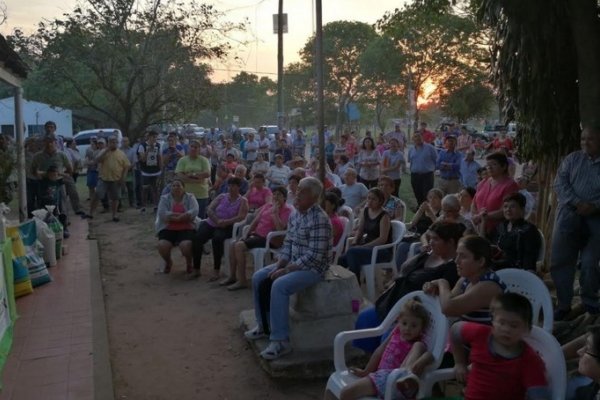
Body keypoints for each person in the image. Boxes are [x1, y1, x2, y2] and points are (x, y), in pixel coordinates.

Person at [244, 177, 331, 360]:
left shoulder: (320, 219)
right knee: (259, 276)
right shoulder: (296, 213)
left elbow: (314, 256)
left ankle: (280, 341)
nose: (297, 194)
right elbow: (289, 243)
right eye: (298, 189)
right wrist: (280, 264)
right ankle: (263, 325)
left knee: (279, 285)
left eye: (303, 192)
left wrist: (287, 270)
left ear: (314, 197)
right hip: (294, 262)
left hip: (313, 269)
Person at [353, 221, 464, 353]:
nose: (431, 242)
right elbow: (405, 268)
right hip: (393, 301)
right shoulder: (428, 255)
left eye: (436, 239)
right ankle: (370, 358)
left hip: (411, 313)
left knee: (386, 337)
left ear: (451, 242)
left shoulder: (451, 269)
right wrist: (419, 255)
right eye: (431, 238)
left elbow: (440, 296)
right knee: (365, 319)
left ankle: (381, 365)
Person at [450, 292, 550, 400]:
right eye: (502, 323)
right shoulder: (480, 334)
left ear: (527, 329)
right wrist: (459, 362)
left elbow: (539, 395)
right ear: (493, 320)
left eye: (514, 325)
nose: (506, 329)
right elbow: (455, 331)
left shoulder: (529, 360)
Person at [551, 126, 600, 320]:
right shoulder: (572, 159)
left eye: (591, 139)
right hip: (568, 216)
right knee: (561, 261)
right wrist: (577, 202)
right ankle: (564, 304)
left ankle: (589, 302)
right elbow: (559, 184)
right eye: (583, 139)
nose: (585, 143)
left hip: (596, 219)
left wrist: (595, 205)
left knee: (589, 263)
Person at [337, 300, 433, 400]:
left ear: (422, 329)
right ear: (398, 321)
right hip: (382, 378)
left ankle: (405, 376)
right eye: (404, 323)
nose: (408, 328)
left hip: (395, 381)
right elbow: (380, 351)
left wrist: (425, 358)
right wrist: (366, 372)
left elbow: (426, 355)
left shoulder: (418, 344)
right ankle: (403, 377)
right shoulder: (396, 332)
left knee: (345, 393)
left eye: (414, 325)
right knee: (342, 393)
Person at [220, 186, 292, 291]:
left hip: (271, 239)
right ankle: (232, 276)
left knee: (239, 246)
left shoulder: (287, 210)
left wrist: (275, 214)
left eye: (279, 195)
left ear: (284, 198)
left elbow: (280, 230)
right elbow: (255, 221)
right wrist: (246, 235)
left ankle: (242, 281)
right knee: (233, 244)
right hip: (258, 236)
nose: (276, 197)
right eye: (274, 194)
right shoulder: (268, 206)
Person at [423, 234, 506, 325]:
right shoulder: (466, 279)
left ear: (481, 261)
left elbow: (448, 308)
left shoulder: (489, 286)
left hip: (486, 338)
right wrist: (435, 290)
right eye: (457, 255)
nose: (456, 261)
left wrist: (442, 282)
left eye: (463, 256)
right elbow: (448, 300)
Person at [192, 177, 249, 281]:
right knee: (197, 238)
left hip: (227, 226)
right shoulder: (222, 196)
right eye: (229, 186)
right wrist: (217, 220)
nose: (230, 188)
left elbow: (241, 216)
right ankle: (196, 268)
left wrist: (226, 222)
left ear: (238, 187)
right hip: (213, 222)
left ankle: (216, 270)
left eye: (233, 186)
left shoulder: (243, 201)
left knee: (217, 239)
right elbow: (209, 209)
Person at [338, 188, 391, 282]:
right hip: (366, 247)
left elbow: (383, 239)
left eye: (373, 199)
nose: (370, 201)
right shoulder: (366, 211)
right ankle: (344, 283)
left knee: (352, 252)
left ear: (380, 201)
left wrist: (364, 246)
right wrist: (355, 242)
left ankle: (355, 282)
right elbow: (360, 230)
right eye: (368, 198)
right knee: (341, 260)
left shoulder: (384, 216)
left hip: (380, 250)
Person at [155, 179, 199, 275]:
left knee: (186, 246)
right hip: (168, 228)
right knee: (162, 245)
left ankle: (189, 263)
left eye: (178, 185)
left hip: (187, 228)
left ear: (183, 188)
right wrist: (180, 216)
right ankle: (168, 262)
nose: (176, 188)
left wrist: (175, 216)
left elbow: (194, 211)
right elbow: (162, 213)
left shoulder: (190, 197)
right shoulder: (164, 198)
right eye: (173, 186)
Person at [471, 152, 519, 237]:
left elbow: (506, 210)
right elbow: (474, 203)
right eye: (487, 165)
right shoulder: (483, 182)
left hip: (498, 230)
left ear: (504, 166)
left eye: (494, 164)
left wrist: (483, 217)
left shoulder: (510, 185)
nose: (489, 167)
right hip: (478, 227)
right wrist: (476, 216)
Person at [491, 192, 541, 271]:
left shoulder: (528, 230)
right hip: (498, 265)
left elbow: (529, 258)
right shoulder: (502, 226)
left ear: (522, 209)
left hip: (516, 271)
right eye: (505, 206)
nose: (508, 210)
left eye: (513, 206)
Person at [87, 136, 131, 222]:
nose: (113, 144)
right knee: (97, 194)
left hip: (116, 179)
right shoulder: (104, 151)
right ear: (108, 143)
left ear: (117, 143)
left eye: (115, 142)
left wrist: (123, 177)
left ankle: (114, 215)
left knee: (115, 198)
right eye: (111, 142)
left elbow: (126, 166)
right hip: (103, 178)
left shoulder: (121, 153)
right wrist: (106, 151)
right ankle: (91, 213)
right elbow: (96, 160)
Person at [175, 139, 211, 219]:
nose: (193, 149)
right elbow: (180, 176)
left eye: (196, 147)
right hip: (186, 194)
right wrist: (197, 179)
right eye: (192, 146)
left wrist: (192, 174)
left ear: (199, 149)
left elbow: (207, 174)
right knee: (186, 217)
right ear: (188, 148)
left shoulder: (204, 160)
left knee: (200, 217)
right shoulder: (182, 160)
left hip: (201, 194)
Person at [408, 132, 438, 205]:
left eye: (419, 136)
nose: (418, 138)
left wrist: (433, 170)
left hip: (427, 175)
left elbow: (436, 160)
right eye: (415, 136)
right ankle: (420, 208)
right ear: (413, 139)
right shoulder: (411, 149)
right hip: (415, 175)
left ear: (422, 138)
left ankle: (427, 210)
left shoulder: (430, 148)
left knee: (427, 194)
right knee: (417, 193)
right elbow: (410, 161)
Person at [137, 131, 162, 213]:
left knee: (155, 189)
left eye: (156, 137)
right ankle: (143, 206)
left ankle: (156, 206)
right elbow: (142, 159)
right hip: (146, 171)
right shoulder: (142, 146)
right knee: (145, 189)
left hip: (156, 171)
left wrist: (161, 169)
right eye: (153, 137)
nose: (155, 139)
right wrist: (148, 150)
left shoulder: (158, 146)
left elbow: (159, 158)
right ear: (149, 137)